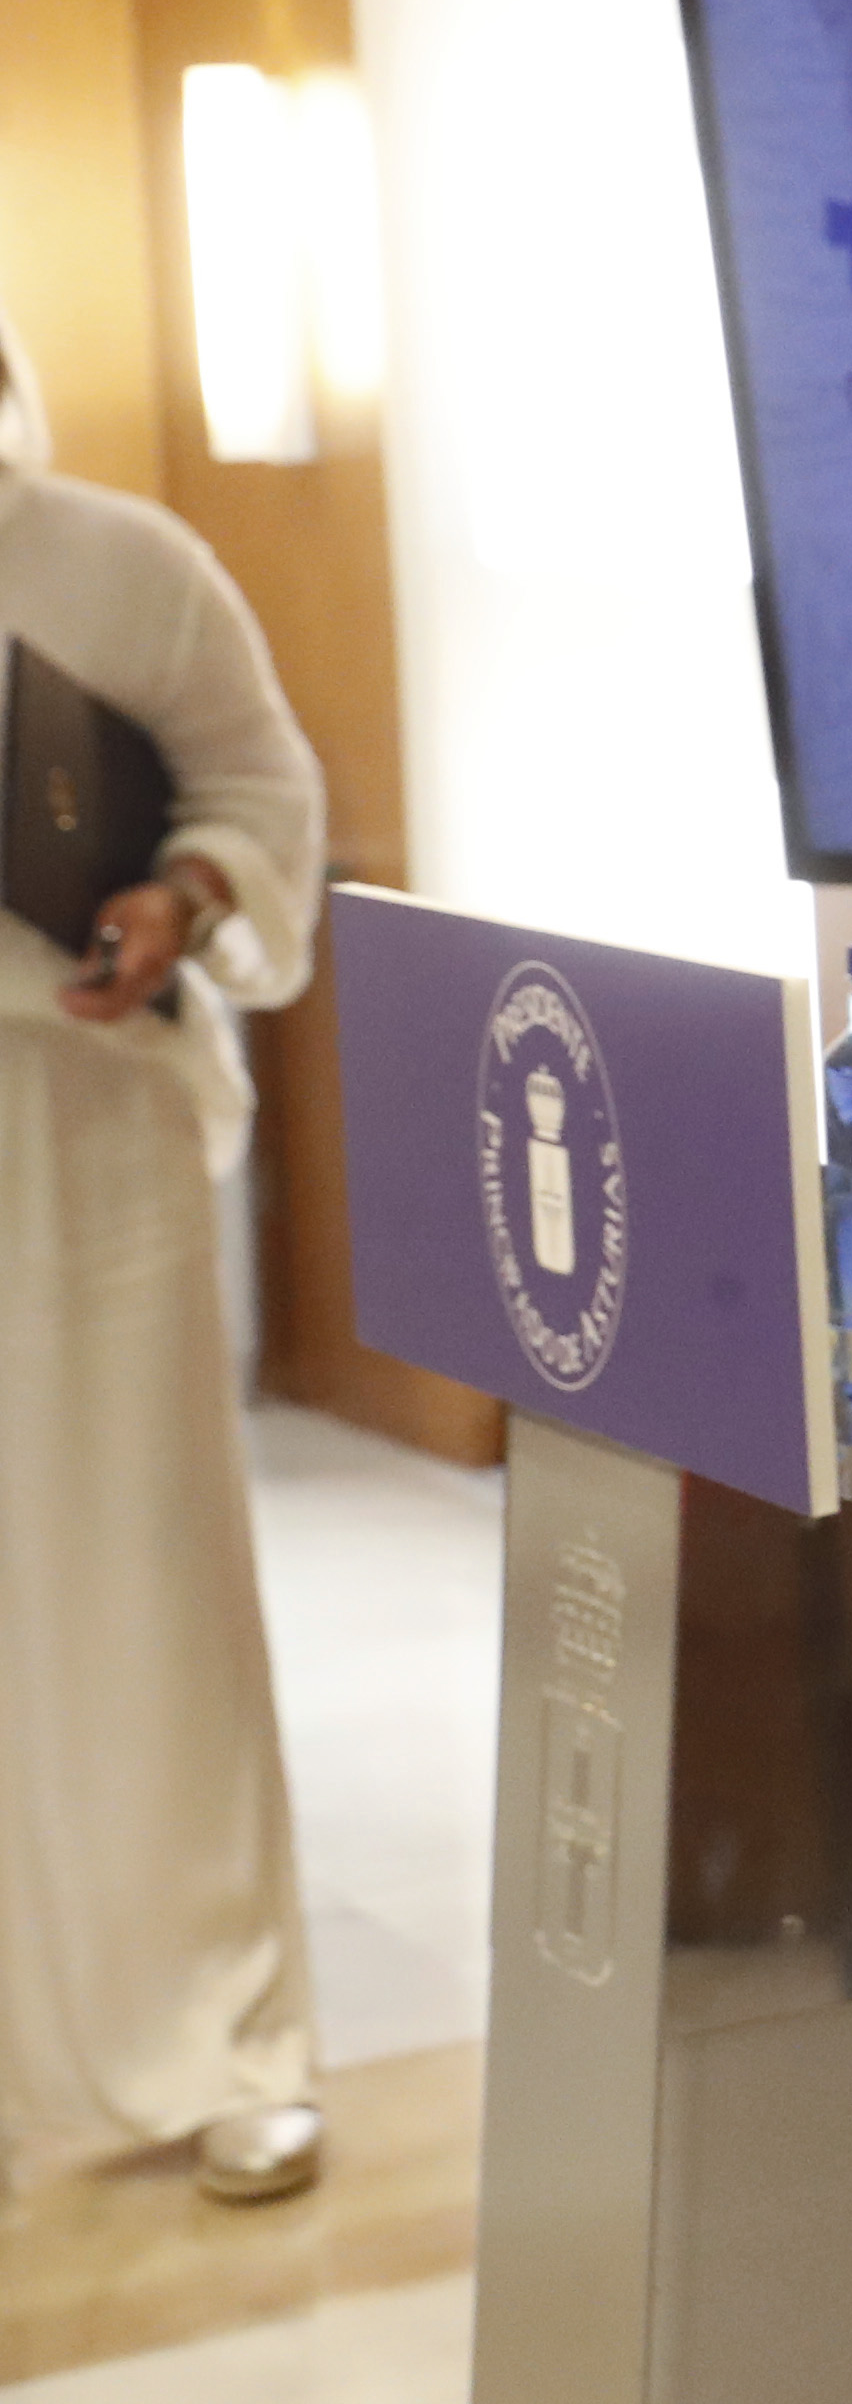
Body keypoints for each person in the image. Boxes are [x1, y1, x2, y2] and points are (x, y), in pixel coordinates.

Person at [0, 296, 332, 2205]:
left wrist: (185, 892)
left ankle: (223, 2041)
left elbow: (260, 787)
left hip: (81, 1115)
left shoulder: (121, 561)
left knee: (141, 1585)